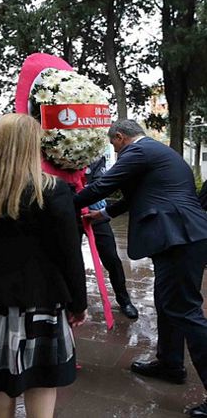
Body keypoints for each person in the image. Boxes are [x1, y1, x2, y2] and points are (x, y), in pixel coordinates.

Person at [0, 113, 87, 418]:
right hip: (38, 300)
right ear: (30, 146)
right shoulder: (52, 190)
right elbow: (69, 254)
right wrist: (78, 302)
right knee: (41, 376)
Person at [76, 120, 207, 417]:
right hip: (180, 236)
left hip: (179, 237)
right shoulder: (158, 152)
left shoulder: (137, 152)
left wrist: (60, 204)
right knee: (167, 303)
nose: (114, 150)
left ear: (120, 137)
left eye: (113, 144)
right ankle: (170, 364)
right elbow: (134, 197)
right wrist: (104, 213)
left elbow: (102, 184)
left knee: (186, 311)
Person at [82, 155, 138, 319]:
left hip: (94, 213)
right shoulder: (54, 148)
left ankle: (124, 300)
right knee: (69, 258)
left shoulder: (93, 153)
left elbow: (99, 183)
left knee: (111, 258)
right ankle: (70, 301)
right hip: (68, 212)